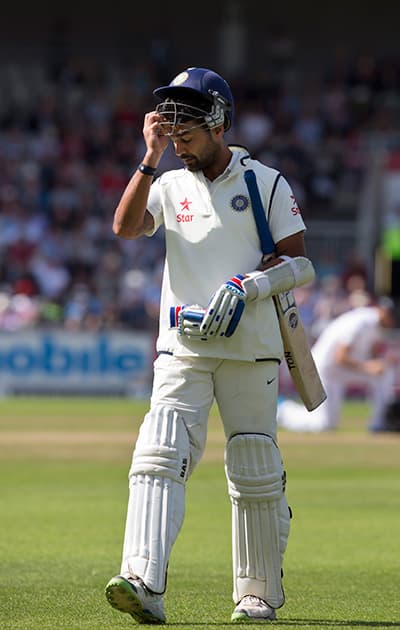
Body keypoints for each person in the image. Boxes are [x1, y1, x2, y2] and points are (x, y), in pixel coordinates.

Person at [104, 66, 316, 624]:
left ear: (218, 124)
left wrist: (249, 286)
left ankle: (258, 595)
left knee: (253, 467)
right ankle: (143, 580)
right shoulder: (167, 182)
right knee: (158, 454)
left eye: (187, 137)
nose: (180, 147)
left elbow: (302, 263)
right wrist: (148, 158)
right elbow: (124, 228)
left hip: (252, 350)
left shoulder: (264, 182)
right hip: (183, 347)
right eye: (172, 137)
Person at [277, 296, 397, 433]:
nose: (393, 321)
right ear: (382, 311)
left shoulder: (377, 326)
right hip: (325, 369)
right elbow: (340, 357)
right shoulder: (361, 321)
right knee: (324, 425)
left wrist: (383, 361)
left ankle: (379, 424)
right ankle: (282, 410)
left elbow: (372, 355)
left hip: (342, 370)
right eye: (391, 315)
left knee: (383, 372)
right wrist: (368, 367)